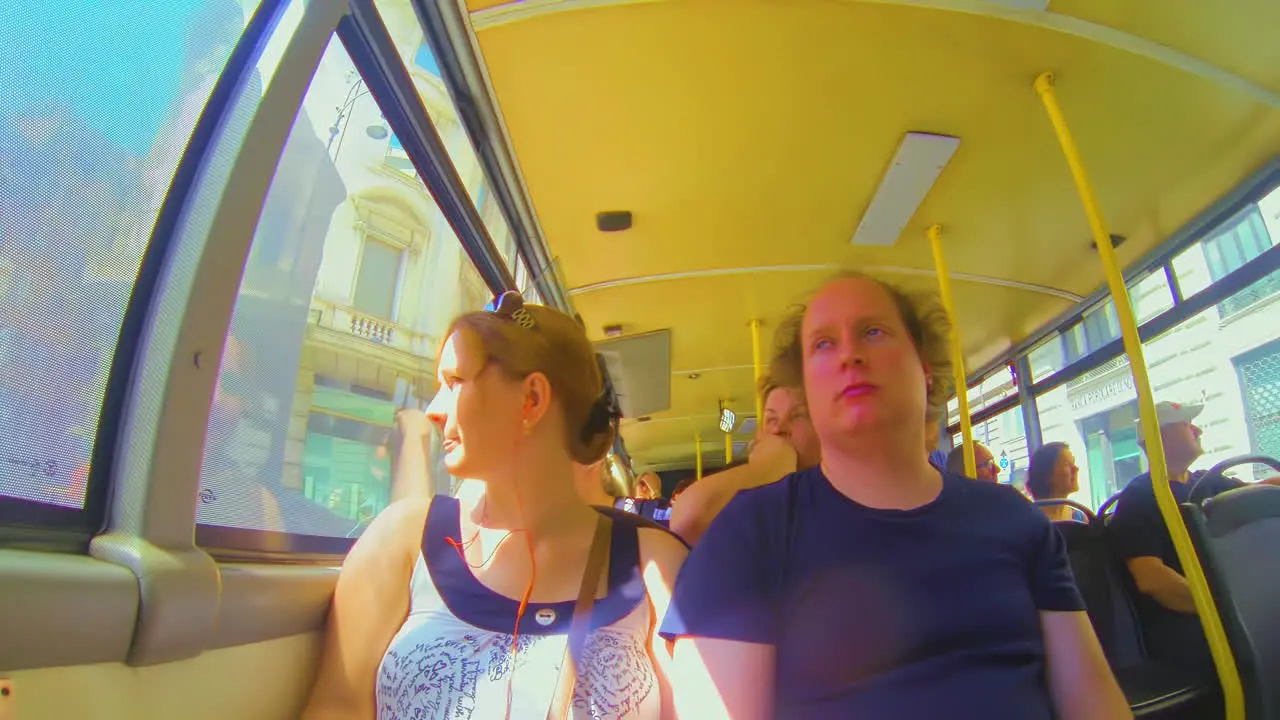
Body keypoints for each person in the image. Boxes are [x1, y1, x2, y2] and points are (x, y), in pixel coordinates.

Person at [660, 273, 1129, 720]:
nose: (849, 356)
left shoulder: (1013, 518)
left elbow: (1092, 700)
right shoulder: (749, 534)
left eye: (874, 331)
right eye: (823, 344)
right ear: (807, 389)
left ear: (924, 371)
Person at [301, 291, 688, 720]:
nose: (432, 411)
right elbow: (338, 706)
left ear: (532, 400)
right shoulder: (402, 541)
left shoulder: (654, 565)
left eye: (454, 383)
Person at [1110, 400, 1280, 671]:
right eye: (1188, 425)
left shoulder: (1208, 482)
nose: (1198, 430)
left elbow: (1258, 491)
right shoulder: (1140, 497)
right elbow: (1153, 579)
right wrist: (1228, 607)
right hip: (1185, 623)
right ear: (1160, 436)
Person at [668, 375, 820, 546]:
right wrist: (765, 471)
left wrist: (764, 471)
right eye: (771, 419)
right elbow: (688, 522)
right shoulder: (762, 502)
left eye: (798, 415)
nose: (779, 429)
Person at [1026, 442, 1084, 522]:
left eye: (1073, 463)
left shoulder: (1080, 517)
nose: (1076, 469)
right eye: (1067, 464)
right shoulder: (1029, 523)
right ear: (1046, 474)